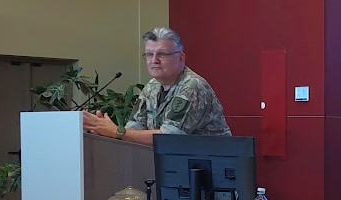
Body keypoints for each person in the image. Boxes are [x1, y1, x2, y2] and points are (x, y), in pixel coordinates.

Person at [82, 27, 231, 145]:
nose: (154, 60)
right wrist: (103, 131)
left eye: (162, 54)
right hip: (173, 165)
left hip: (212, 167)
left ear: (181, 58)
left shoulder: (192, 86)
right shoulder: (152, 86)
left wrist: (116, 132)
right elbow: (135, 127)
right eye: (149, 54)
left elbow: (168, 138)